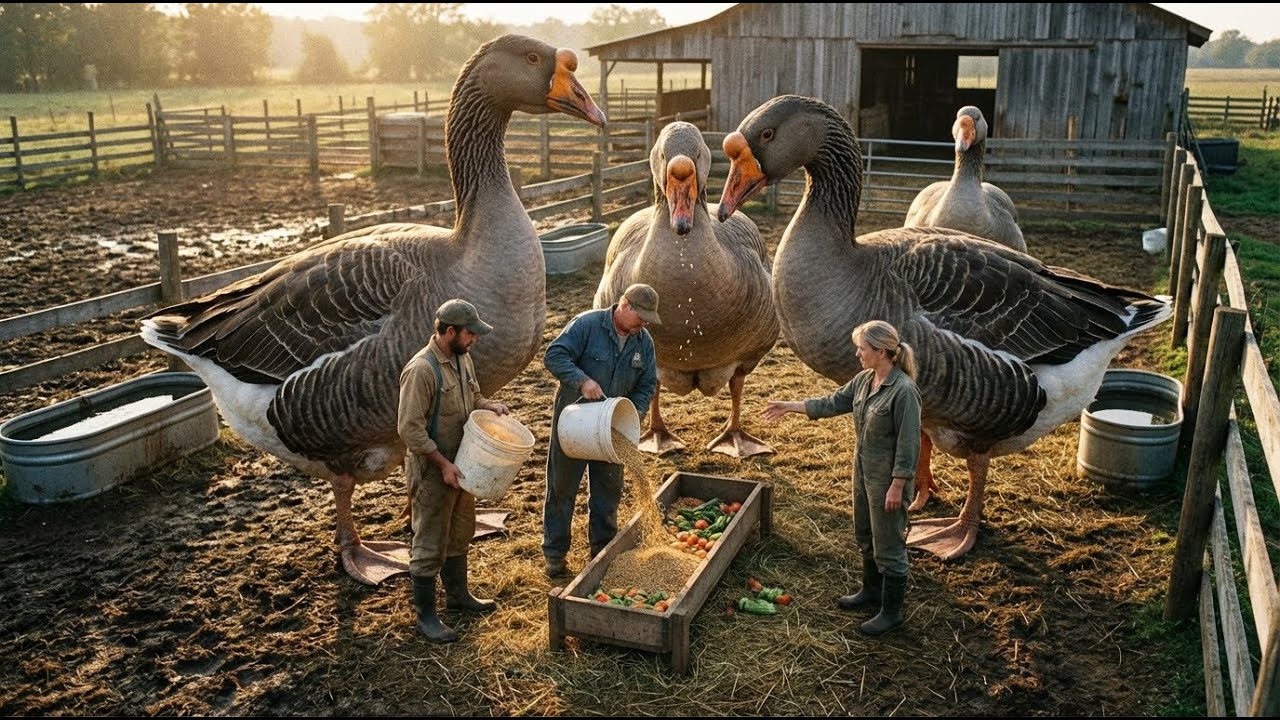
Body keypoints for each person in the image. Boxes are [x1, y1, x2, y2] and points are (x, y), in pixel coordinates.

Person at [762, 320, 921, 636]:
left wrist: (897, 485)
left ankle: (891, 613)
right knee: (865, 534)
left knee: (889, 543)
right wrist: (789, 406)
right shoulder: (865, 381)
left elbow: (909, 444)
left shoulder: (903, 392)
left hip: (887, 481)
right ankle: (871, 591)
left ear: (881, 352)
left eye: (862, 348)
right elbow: (832, 403)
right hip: (862, 473)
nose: (857, 353)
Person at [397, 298, 511, 644]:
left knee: (461, 531)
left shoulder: (463, 359)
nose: (474, 338)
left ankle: (458, 595)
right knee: (430, 539)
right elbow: (409, 429)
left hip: (463, 461)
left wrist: (490, 406)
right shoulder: (421, 370)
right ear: (450, 331)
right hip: (432, 468)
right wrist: (443, 464)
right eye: (470, 333)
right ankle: (426, 616)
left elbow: (473, 398)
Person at [541, 283, 661, 579]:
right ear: (625, 305)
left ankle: (602, 550)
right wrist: (581, 380)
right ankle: (555, 554)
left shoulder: (643, 342)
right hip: (575, 420)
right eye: (641, 317)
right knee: (561, 487)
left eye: (648, 320)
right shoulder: (587, 325)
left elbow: (647, 384)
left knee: (608, 490)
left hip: (612, 428)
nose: (644, 325)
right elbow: (554, 355)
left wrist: (633, 414)